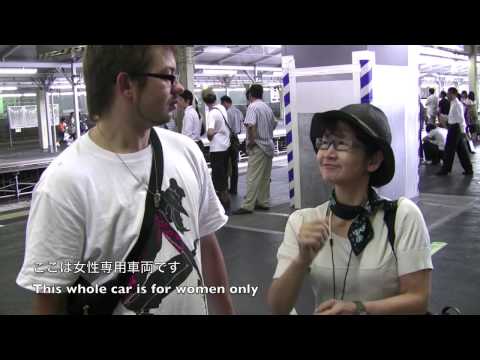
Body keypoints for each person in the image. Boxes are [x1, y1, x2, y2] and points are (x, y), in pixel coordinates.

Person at [16, 45, 234, 315]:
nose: (178, 88)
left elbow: (207, 246)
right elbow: (49, 301)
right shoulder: (64, 184)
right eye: (168, 76)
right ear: (126, 84)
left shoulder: (186, 152)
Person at [268, 104, 433, 315]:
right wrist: (301, 260)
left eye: (341, 144)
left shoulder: (401, 217)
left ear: (373, 160)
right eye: (324, 143)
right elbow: (277, 308)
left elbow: (418, 300)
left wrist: (359, 309)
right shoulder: (302, 222)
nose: (327, 153)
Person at [233, 84, 277, 215]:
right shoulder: (267, 107)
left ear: (250, 95)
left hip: (258, 146)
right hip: (268, 145)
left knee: (252, 177)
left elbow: (250, 125)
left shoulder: (252, 107)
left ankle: (247, 205)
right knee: (265, 177)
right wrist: (266, 133)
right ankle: (263, 202)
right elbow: (274, 123)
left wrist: (251, 142)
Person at [202, 88, 231, 214]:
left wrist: (211, 134)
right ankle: (226, 200)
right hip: (226, 146)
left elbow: (209, 133)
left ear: (205, 101)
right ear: (215, 98)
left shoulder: (211, 113)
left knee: (217, 176)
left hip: (217, 149)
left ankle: (222, 203)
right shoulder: (222, 108)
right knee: (223, 174)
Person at [436, 87, 473, 176]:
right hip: (455, 127)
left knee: (449, 149)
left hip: (455, 128)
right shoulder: (453, 103)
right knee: (461, 150)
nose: (447, 95)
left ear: (453, 94)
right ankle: (468, 169)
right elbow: (453, 117)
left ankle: (445, 170)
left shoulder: (456, 104)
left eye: (449, 94)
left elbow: (460, 118)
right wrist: (445, 118)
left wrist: (461, 129)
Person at [220, 95, 244, 195]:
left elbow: (225, 128)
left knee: (225, 164)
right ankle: (234, 189)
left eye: (222, 103)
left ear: (226, 102)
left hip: (228, 140)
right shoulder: (238, 112)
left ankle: (225, 189)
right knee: (234, 166)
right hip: (236, 139)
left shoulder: (227, 113)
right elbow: (241, 125)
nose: (222, 106)